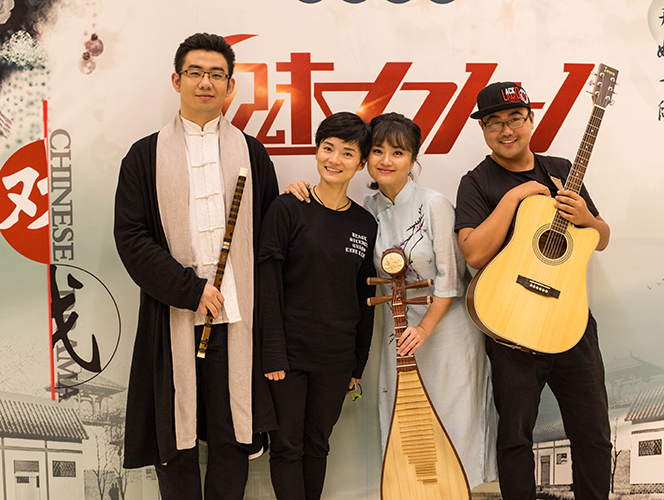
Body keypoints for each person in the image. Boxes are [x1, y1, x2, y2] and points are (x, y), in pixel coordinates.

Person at [286, 112, 496, 488]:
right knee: (406, 430)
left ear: (414, 159)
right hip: (397, 334)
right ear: (366, 157)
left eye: (398, 153)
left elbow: (451, 280)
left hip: (444, 333)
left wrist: (424, 329)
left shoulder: (434, 204)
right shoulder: (366, 209)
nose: (386, 160)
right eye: (378, 151)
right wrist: (300, 190)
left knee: (450, 426)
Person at [113, 33, 278, 500]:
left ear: (230, 86)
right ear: (177, 80)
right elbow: (131, 237)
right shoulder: (144, 155)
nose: (206, 82)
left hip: (236, 321)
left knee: (231, 440)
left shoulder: (253, 153)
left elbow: (270, 240)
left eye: (216, 75)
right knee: (176, 442)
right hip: (173, 318)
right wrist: (190, 289)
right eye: (196, 73)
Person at [454, 81, 612, 500]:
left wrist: (587, 218)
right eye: (494, 123)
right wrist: (516, 197)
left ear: (530, 119)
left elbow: (601, 239)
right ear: (483, 129)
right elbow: (474, 254)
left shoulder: (562, 170)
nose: (506, 130)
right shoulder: (476, 183)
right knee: (515, 438)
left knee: (594, 434)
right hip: (511, 326)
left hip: (570, 322)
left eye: (515, 119)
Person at [258, 111, 377, 500]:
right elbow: (267, 284)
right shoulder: (288, 208)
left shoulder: (364, 224)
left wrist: (357, 364)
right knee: (287, 447)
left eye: (347, 153)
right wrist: (272, 353)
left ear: (361, 163)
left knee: (318, 445)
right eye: (328, 148)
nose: (334, 160)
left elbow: (364, 298)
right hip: (289, 355)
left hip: (336, 358)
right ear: (316, 151)